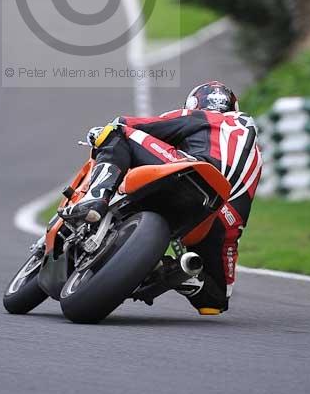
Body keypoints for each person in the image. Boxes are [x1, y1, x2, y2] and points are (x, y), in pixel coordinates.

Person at [59, 81, 262, 315]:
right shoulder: (255, 154)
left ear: (195, 103)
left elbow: (129, 124)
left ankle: (95, 199)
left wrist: (99, 135)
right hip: (220, 213)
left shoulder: (198, 116)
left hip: (189, 171)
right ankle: (179, 273)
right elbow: (240, 214)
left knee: (116, 132)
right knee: (215, 301)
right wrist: (226, 240)